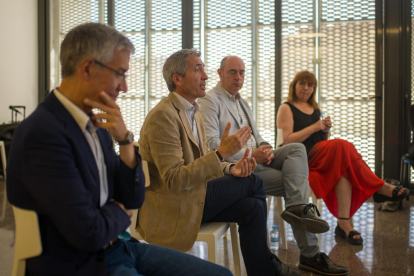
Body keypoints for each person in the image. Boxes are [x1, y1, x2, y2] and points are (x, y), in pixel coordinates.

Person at [6, 23, 233, 276]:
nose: (124, 87)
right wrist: (122, 211)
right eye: (120, 74)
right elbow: (89, 233)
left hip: (120, 247)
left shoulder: (100, 124)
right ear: (88, 68)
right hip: (81, 263)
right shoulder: (43, 135)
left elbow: (134, 198)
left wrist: (125, 140)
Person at [137, 49, 301, 276]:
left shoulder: (193, 113)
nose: (205, 76)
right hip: (175, 207)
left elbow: (205, 158)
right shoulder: (163, 116)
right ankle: (270, 265)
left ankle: (263, 271)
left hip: (195, 194)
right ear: (177, 79)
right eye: (198, 69)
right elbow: (174, 180)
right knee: (253, 182)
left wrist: (230, 168)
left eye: (204, 69)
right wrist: (221, 155)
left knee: (252, 207)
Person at [198, 56, 348, 276]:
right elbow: (212, 146)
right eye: (232, 72)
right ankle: (311, 254)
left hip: (258, 159)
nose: (238, 77)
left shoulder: (242, 102)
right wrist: (253, 156)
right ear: (220, 73)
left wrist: (266, 147)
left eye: (242, 72)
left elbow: (257, 136)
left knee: (296, 148)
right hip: (238, 167)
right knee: (296, 184)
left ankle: (297, 209)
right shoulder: (210, 101)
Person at [276, 70, 410, 246]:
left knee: (344, 166)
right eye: (302, 83)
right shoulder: (286, 107)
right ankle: (378, 186)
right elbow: (286, 142)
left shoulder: (316, 109)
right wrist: (315, 127)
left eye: (310, 85)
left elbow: (324, 141)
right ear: (294, 85)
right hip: (300, 158)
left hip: (320, 155)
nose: (306, 88)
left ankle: (344, 224)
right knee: (342, 145)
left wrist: (325, 130)